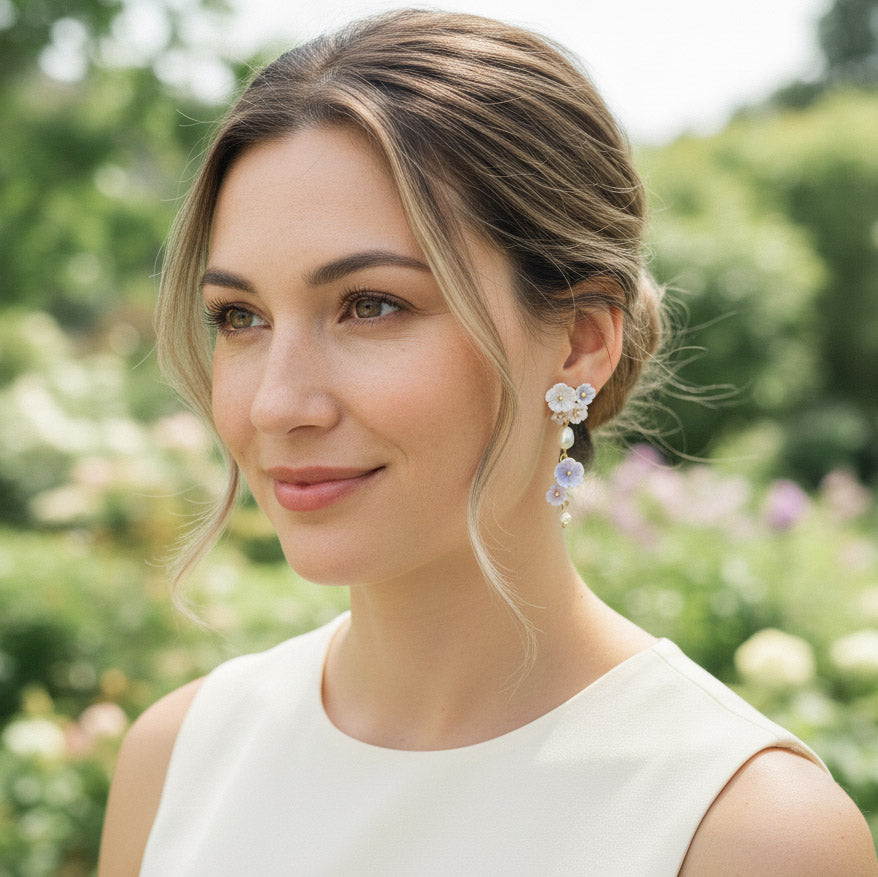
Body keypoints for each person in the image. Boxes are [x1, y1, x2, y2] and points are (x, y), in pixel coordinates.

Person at [98, 9, 877, 875]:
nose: (277, 403)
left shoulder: (747, 832)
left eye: (372, 304)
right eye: (238, 317)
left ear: (582, 338)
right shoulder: (174, 761)